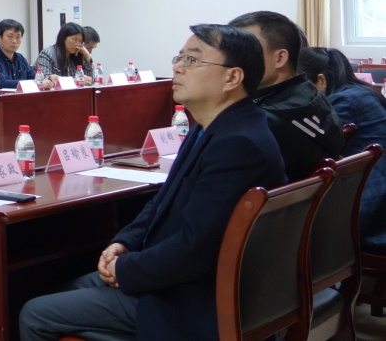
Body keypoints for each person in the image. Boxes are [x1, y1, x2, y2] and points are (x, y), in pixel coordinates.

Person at [19, 24, 285, 340]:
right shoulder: (211, 128)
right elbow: (163, 202)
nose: (177, 67)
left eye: (192, 60)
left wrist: (126, 269)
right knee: (66, 288)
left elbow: (195, 250)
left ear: (232, 78)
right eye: (179, 58)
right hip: (180, 280)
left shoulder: (238, 144)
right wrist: (125, 242)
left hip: (191, 300)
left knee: (34, 313)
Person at [229, 10, 343, 181]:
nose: (230, 61)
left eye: (244, 50)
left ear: (280, 58)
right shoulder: (310, 94)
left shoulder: (265, 122)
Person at [298, 46, 386, 250]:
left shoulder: (343, 101)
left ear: (321, 80)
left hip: (373, 204)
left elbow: (318, 146)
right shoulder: (362, 93)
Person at [0, 19, 37, 89]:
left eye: (18, 37)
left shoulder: (20, 58)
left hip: (20, 95)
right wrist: (31, 83)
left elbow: (35, 78)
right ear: (0, 38)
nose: (14, 41)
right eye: (10, 36)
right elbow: (0, 84)